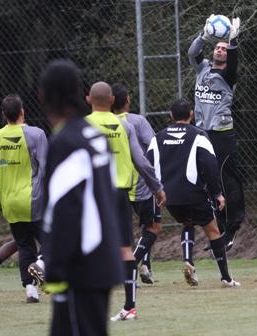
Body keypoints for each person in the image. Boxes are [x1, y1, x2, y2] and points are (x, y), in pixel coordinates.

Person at [39, 59, 124, 336]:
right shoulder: (96, 138)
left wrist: (55, 267)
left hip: (79, 267)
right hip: (103, 261)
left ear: (46, 96)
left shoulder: (65, 143)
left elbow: (66, 209)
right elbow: (110, 196)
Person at [85, 82, 166, 321]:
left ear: (89, 99)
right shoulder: (124, 125)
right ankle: (129, 306)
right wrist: (157, 188)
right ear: (112, 100)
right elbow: (141, 161)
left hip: (93, 194)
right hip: (119, 194)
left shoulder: (80, 127)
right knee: (125, 250)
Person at [147, 99, 240, 288]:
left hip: (169, 195)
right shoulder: (199, 135)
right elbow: (210, 166)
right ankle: (226, 278)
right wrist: (217, 193)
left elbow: (148, 163)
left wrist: (156, 191)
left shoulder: (158, 137)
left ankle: (188, 260)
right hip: (193, 193)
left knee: (187, 222)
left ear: (171, 116)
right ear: (191, 114)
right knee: (213, 231)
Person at [0, 94, 47, 302]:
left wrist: (2, 190)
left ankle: (31, 290)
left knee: (25, 245)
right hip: (34, 199)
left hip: (10, 201)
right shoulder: (36, 134)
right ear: (22, 111)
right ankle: (41, 265)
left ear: (3, 114)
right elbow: (47, 168)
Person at [188, 16, 245, 251]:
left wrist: (233, 39)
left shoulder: (228, 75)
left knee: (226, 179)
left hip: (221, 134)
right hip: (202, 133)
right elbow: (192, 53)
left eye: (224, 49)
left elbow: (234, 60)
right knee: (208, 181)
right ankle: (218, 229)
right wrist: (204, 35)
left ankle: (232, 227)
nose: (220, 51)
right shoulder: (202, 69)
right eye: (218, 47)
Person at [111, 83, 160, 285]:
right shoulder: (137, 121)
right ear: (128, 101)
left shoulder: (107, 122)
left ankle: (145, 267)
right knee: (152, 227)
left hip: (118, 184)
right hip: (141, 184)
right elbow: (153, 146)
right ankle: (129, 268)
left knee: (129, 231)